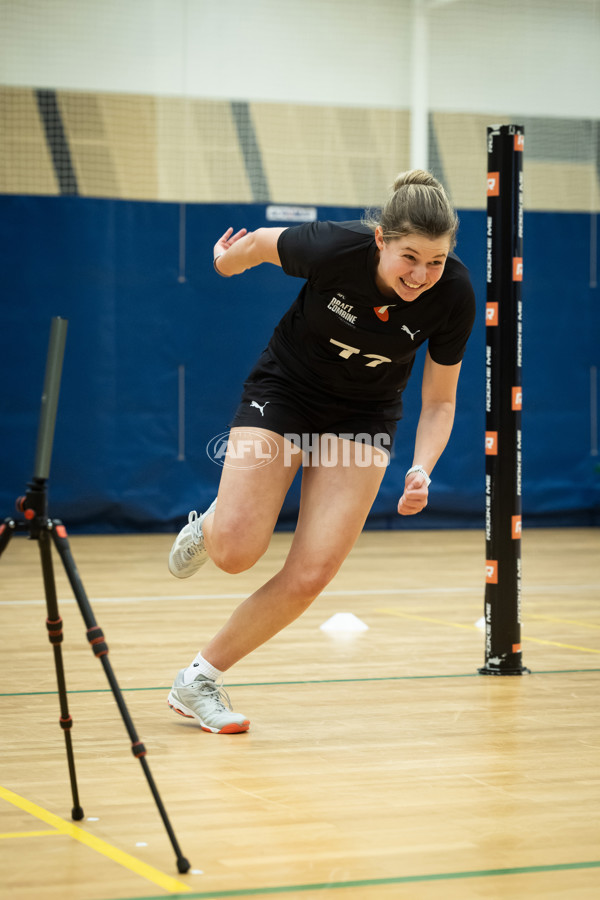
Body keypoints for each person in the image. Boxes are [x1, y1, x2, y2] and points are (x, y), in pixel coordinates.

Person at [166, 170, 476, 734]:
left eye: (435, 261)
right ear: (380, 240)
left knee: (311, 574)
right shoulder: (336, 248)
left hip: (364, 417)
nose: (421, 275)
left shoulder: (452, 294)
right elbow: (258, 245)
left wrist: (422, 469)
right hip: (285, 392)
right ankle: (213, 524)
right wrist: (223, 261)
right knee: (236, 551)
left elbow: (439, 402)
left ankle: (198, 680)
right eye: (410, 257)